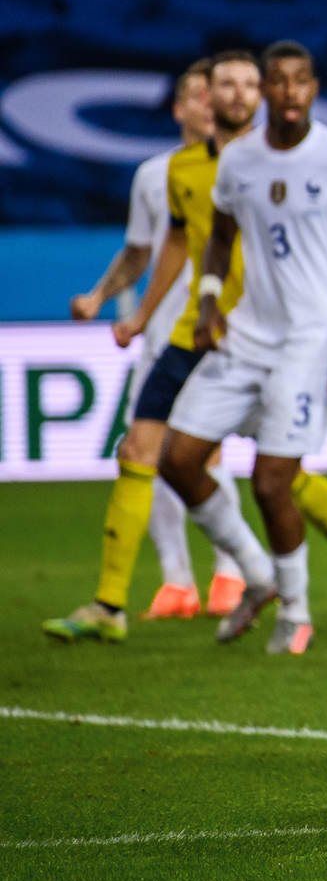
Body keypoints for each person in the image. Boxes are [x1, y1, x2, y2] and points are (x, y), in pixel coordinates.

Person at [157, 41, 327, 657]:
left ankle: (295, 612)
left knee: (273, 482)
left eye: (301, 82)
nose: (290, 92)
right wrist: (211, 299)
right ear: (266, 91)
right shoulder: (238, 160)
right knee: (176, 459)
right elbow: (219, 234)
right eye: (279, 82)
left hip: (311, 339)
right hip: (245, 333)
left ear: (313, 90)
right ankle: (257, 573)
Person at [42, 61, 245, 641]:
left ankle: (236, 572)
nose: (210, 103)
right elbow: (146, 252)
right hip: (167, 334)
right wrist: (108, 300)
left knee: (205, 458)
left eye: (218, 93)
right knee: (144, 453)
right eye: (198, 95)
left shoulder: (248, 165)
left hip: (228, 333)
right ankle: (176, 581)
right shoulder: (156, 175)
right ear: (179, 108)